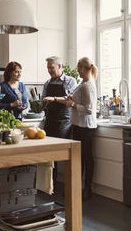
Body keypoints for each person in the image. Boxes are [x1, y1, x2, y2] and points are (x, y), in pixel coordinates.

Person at [65, 57, 98, 200]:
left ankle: (87, 189)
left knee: (86, 158)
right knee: (80, 159)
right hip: (79, 125)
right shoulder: (83, 83)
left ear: (84, 68)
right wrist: (71, 100)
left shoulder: (88, 85)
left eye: (79, 68)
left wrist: (73, 104)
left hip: (86, 127)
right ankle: (78, 187)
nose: (77, 71)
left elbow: (89, 109)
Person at [42, 56, 77, 138]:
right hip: (49, 121)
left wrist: (54, 99)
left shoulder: (70, 81)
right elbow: (43, 100)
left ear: (59, 66)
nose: (49, 71)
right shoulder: (47, 83)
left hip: (64, 122)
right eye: (48, 68)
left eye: (51, 67)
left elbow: (71, 99)